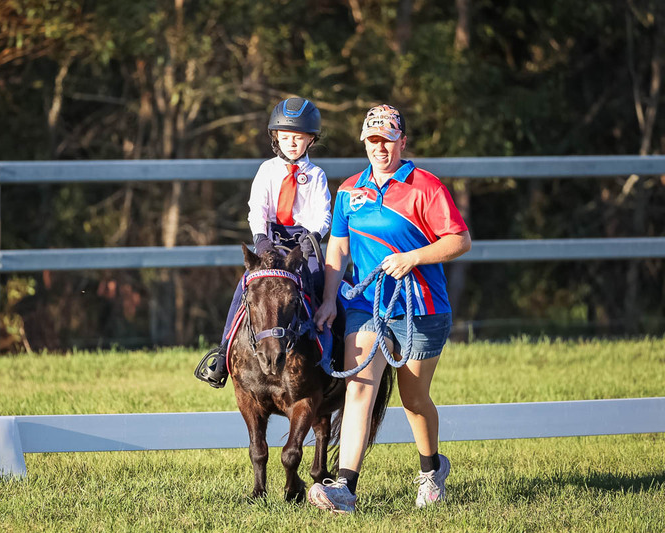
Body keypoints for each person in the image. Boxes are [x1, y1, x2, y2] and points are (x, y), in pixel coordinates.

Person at [308, 104, 471, 513]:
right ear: (364, 142)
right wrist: (329, 300)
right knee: (359, 388)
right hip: (367, 306)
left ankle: (431, 469)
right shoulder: (349, 191)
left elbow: (459, 240)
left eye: (388, 140)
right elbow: (338, 247)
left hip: (422, 308)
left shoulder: (425, 186)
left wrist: (413, 258)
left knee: (414, 400)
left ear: (402, 141)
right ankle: (345, 487)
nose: (380, 148)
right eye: (373, 140)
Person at [194, 97, 332, 388]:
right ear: (276, 137)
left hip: (304, 242)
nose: (291, 143)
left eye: (298, 137)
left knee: (321, 285)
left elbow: (323, 214)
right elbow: (257, 208)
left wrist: (310, 240)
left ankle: (329, 352)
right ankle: (223, 353)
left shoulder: (316, 175)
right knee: (244, 288)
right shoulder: (267, 170)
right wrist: (261, 241)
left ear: (311, 139)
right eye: (285, 136)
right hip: (271, 240)